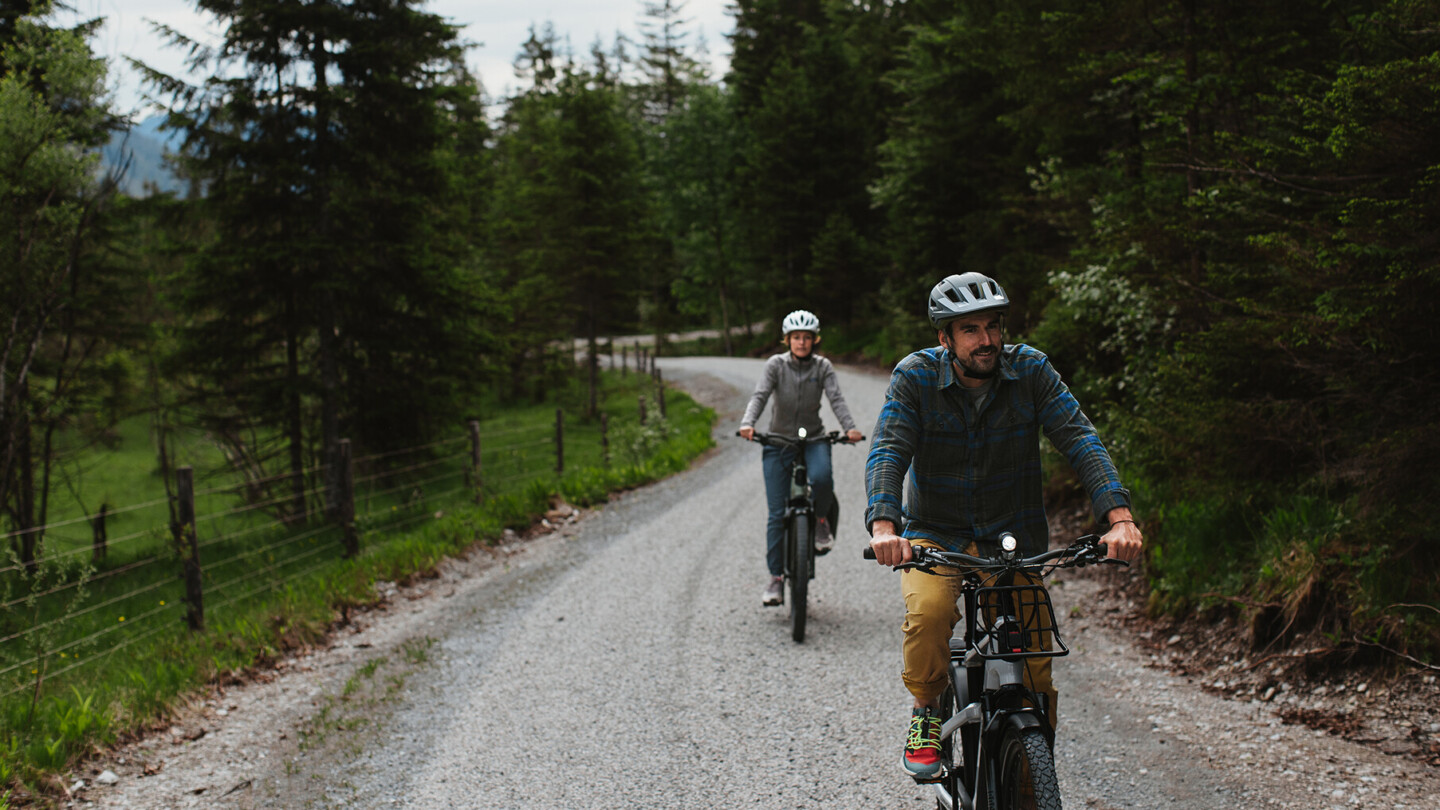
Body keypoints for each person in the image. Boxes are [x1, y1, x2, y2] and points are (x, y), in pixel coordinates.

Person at [864, 272, 1144, 779]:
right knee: (929, 613)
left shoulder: (1031, 371)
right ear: (944, 338)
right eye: (969, 330)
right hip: (934, 534)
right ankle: (926, 710)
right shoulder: (916, 377)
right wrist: (886, 527)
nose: (986, 340)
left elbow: (1080, 439)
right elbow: (888, 450)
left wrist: (1119, 519)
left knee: (1036, 662)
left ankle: (1033, 773)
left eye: (992, 326)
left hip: (1012, 541)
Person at [740, 309, 863, 606]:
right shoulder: (775, 366)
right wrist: (748, 423)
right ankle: (775, 579)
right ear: (787, 340)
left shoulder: (823, 367)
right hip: (778, 441)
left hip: (814, 439)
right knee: (775, 512)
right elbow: (760, 395)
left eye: (807, 337)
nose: (801, 342)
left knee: (821, 478)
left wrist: (850, 428)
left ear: (814, 340)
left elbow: (836, 398)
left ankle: (820, 519)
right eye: (796, 337)